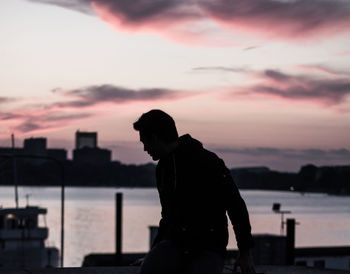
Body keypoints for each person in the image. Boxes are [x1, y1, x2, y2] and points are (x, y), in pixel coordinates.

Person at [133, 109, 255, 274]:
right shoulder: (162, 168)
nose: (145, 149)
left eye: (144, 142)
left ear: (154, 138)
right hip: (176, 244)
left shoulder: (209, 162)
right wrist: (155, 253)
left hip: (209, 246)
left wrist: (245, 253)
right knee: (149, 269)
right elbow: (167, 217)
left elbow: (235, 206)